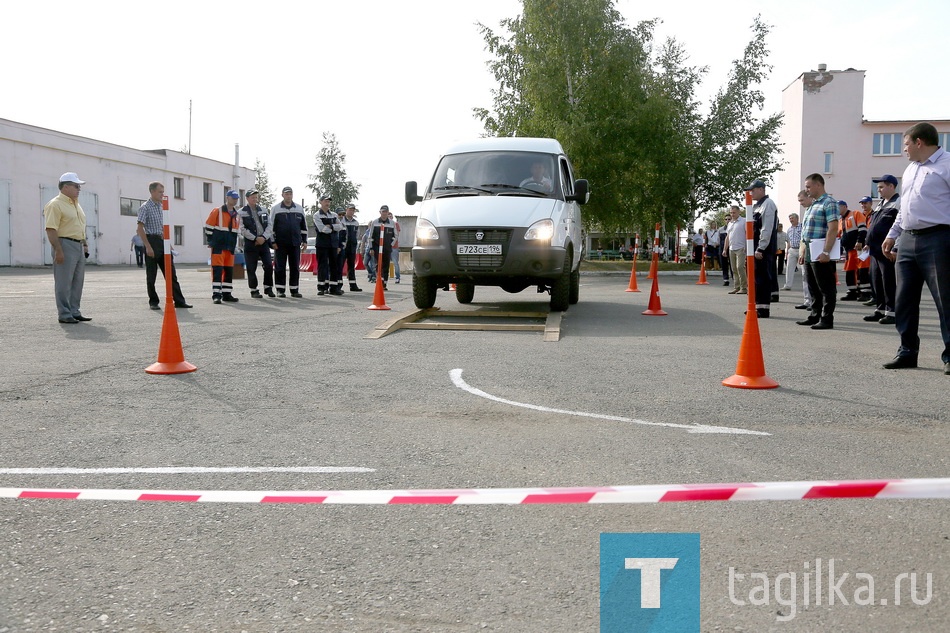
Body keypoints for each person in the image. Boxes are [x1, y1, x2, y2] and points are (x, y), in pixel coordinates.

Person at [881, 122, 950, 374]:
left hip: (939, 238)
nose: (905, 149)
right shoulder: (910, 169)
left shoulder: (947, 165)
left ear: (919, 142)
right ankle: (907, 351)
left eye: (906, 144)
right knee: (905, 299)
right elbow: (905, 207)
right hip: (908, 240)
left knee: (945, 299)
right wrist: (893, 234)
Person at [44, 172, 90, 323]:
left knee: (77, 281)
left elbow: (80, 226)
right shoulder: (55, 204)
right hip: (64, 244)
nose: (79, 189)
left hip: (78, 245)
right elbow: (51, 229)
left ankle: (74, 311)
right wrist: (58, 250)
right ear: (65, 187)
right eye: (76, 186)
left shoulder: (76, 205)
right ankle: (64, 314)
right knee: (64, 282)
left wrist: (84, 244)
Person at [136, 181, 191, 310]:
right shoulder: (145, 207)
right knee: (151, 274)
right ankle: (153, 301)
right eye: (160, 192)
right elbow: (140, 228)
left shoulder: (162, 206)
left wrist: (168, 243)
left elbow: (163, 228)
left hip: (162, 241)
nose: (162, 194)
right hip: (151, 241)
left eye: (163, 192)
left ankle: (179, 300)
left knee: (171, 272)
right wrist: (148, 246)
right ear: (152, 191)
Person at [797, 174, 839, 330]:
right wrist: (803, 252)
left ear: (818, 185)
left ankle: (827, 318)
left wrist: (826, 251)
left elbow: (833, 228)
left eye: (808, 186)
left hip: (820, 251)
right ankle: (814, 315)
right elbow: (805, 231)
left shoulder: (829, 203)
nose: (806, 190)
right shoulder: (812, 205)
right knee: (812, 286)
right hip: (809, 250)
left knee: (826, 287)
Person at [863, 176, 900, 325]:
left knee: (888, 281)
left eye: (881, 187)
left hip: (887, 250)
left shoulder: (898, 203)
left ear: (891, 186)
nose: (878, 190)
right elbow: (874, 226)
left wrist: (895, 247)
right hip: (874, 250)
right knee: (876, 280)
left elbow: (901, 226)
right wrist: (867, 242)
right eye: (877, 187)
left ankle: (892, 312)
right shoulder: (881, 204)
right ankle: (880, 309)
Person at [745, 179, 778, 318]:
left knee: (763, 278)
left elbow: (767, 228)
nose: (750, 193)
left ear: (761, 189)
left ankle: (763, 309)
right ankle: (757, 305)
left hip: (763, 248)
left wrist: (761, 248)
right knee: (756, 277)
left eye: (753, 190)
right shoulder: (757, 206)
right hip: (755, 247)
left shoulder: (768, 204)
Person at [204, 190, 242, 304]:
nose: (234, 200)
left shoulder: (237, 214)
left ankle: (227, 294)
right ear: (227, 198)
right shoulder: (218, 211)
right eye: (233, 198)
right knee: (217, 270)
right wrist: (212, 242)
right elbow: (208, 228)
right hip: (218, 246)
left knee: (228, 271)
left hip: (230, 247)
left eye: (236, 198)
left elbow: (235, 231)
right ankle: (216, 295)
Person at [270, 186, 308, 298]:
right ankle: (280, 290)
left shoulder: (299, 209)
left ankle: (294, 289)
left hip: (295, 243)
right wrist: (272, 242)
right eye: (286, 194)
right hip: (280, 244)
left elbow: (303, 226)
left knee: (295, 267)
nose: (288, 196)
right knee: (280, 267)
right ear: (282, 195)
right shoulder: (276, 209)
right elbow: (271, 227)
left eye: (290, 194)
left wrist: (304, 240)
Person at [239, 189, 275, 299]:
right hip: (251, 243)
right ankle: (254, 290)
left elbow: (269, 225)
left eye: (256, 197)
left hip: (263, 242)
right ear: (247, 198)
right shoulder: (241, 212)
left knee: (269, 265)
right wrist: (255, 238)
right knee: (251, 267)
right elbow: (241, 229)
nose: (255, 199)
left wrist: (264, 237)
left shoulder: (263, 210)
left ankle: (268, 287)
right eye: (252, 197)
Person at [836, 200, 870, 302]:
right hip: (849, 250)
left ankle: (865, 293)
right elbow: (839, 236)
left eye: (838, 207)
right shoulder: (840, 220)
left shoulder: (855, 214)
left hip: (859, 248)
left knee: (863, 270)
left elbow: (863, 229)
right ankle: (852, 292)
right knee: (850, 271)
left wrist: (859, 241)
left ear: (844, 206)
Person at [313, 194, 344, 296]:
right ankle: (322, 287)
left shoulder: (334, 215)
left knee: (334, 265)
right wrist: (333, 228)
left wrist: (330, 226)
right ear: (321, 202)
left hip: (333, 244)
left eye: (329, 201)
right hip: (322, 244)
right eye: (325, 201)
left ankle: (333, 288)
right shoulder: (317, 215)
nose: (327, 203)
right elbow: (322, 229)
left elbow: (340, 227)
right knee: (322, 265)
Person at [791, 193, 815, 311]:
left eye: (802, 200)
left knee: (813, 278)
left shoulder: (816, 209)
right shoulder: (806, 211)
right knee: (805, 277)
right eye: (799, 201)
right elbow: (803, 235)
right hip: (804, 249)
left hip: (814, 248)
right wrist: (802, 252)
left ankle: (815, 302)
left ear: (809, 197)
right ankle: (807, 300)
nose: (800, 203)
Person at [367, 204, 396, 289]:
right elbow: (370, 236)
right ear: (380, 212)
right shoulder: (374, 222)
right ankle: (379, 281)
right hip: (376, 248)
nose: (384, 213)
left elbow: (395, 236)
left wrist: (390, 245)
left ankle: (385, 283)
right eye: (383, 211)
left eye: (386, 212)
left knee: (386, 265)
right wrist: (371, 248)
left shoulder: (392, 223)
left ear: (388, 213)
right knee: (378, 264)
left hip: (387, 248)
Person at [722, 205, 747, 295]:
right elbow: (727, 237)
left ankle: (744, 287)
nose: (732, 214)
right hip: (731, 248)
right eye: (731, 213)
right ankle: (736, 287)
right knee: (733, 269)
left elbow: (747, 234)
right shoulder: (730, 223)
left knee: (740, 267)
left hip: (741, 247)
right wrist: (725, 249)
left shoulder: (743, 221)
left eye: (734, 212)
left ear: (739, 212)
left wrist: (747, 246)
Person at [341, 203, 363, 292]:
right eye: (350, 210)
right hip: (343, 246)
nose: (351, 211)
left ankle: (353, 285)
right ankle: (338, 285)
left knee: (351, 266)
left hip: (352, 246)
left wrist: (355, 244)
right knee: (340, 265)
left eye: (353, 210)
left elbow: (357, 234)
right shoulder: (342, 220)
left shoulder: (356, 222)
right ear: (346, 210)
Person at [783, 211, 802, 291]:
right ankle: (788, 285)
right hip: (792, 250)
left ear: (797, 218)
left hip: (801, 249)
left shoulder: (802, 227)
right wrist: (787, 252)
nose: (791, 220)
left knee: (805, 269)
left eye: (792, 218)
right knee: (789, 268)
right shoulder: (789, 229)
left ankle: (807, 286)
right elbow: (788, 241)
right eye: (790, 218)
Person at [389, 210, 402, 283]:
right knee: (385, 262)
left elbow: (397, 235)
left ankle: (397, 277)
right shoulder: (385, 224)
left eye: (390, 216)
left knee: (395, 263)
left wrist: (392, 243)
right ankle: (384, 277)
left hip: (394, 246)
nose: (389, 217)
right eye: (388, 216)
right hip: (386, 246)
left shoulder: (395, 224)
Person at [718, 218, 731, 286]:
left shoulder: (733, 226)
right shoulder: (721, 229)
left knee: (733, 264)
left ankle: (735, 279)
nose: (727, 220)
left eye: (729, 219)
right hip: (722, 247)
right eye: (726, 219)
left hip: (731, 247)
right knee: (724, 264)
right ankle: (726, 279)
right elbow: (718, 239)